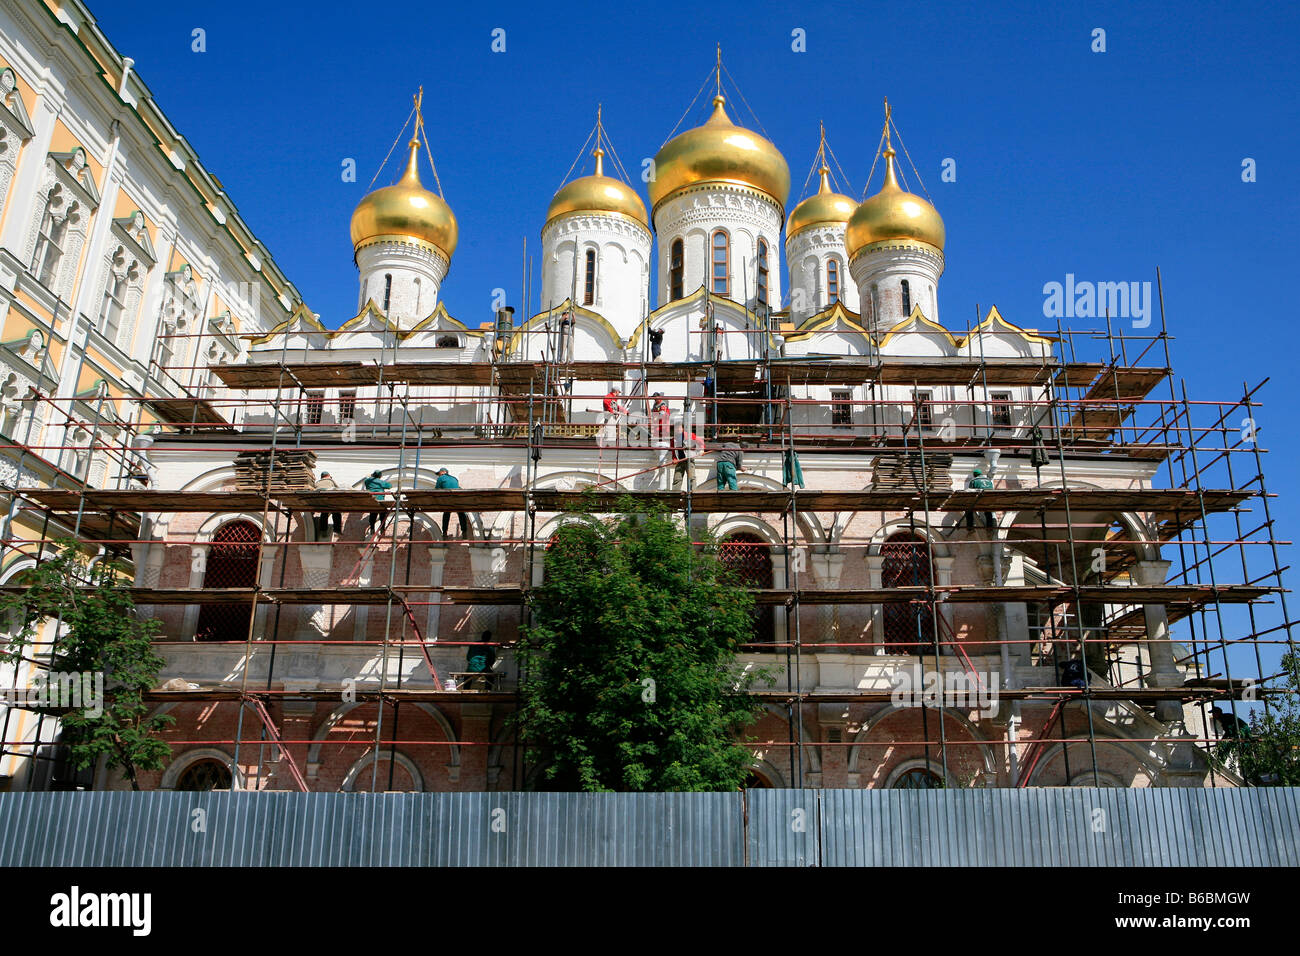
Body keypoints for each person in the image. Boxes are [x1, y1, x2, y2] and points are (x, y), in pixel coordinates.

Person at [435, 467, 470, 539]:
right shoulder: (455, 478)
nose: (438, 475)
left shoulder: (441, 478)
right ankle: (464, 532)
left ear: (443, 472)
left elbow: (436, 490)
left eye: (439, 474)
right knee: (461, 513)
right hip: (458, 499)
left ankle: (444, 533)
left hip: (449, 499)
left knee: (446, 514)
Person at [671, 425, 705, 490]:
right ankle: (675, 493)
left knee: (691, 477)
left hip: (689, 459)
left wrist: (702, 450)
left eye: (679, 428)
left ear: (683, 428)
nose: (678, 429)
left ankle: (693, 492)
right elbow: (673, 451)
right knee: (677, 478)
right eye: (676, 428)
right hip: (680, 460)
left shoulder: (690, 435)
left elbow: (700, 441)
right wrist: (674, 459)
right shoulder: (674, 439)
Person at [965, 466, 995, 532]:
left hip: (979, 500)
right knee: (988, 512)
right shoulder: (989, 481)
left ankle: (970, 527)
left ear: (975, 475)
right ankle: (989, 527)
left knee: (968, 509)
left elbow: (971, 493)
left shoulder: (974, 481)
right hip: (988, 500)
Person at [314, 471, 342, 539]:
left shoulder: (317, 482)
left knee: (324, 514)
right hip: (329, 499)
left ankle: (323, 530)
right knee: (336, 513)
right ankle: (337, 529)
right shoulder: (330, 481)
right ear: (328, 475)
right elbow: (338, 489)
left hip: (320, 501)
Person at [363, 469, 392, 536]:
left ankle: (372, 528)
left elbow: (366, 481)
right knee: (383, 514)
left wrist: (370, 476)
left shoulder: (367, 481)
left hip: (372, 501)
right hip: (380, 501)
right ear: (379, 476)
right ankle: (382, 528)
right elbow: (389, 486)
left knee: (373, 513)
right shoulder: (380, 482)